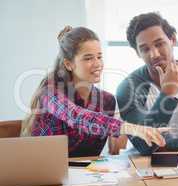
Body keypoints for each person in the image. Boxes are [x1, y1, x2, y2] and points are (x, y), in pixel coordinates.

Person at [21, 26, 168, 157]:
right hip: (43, 174)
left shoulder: (107, 101)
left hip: (86, 178)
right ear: (68, 64)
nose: (97, 63)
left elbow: (101, 151)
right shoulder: (50, 93)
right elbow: (77, 116)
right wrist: (132, 128)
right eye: (88, 58)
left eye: (99, 56)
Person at [116, 12, 178, 155]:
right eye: (145, 49)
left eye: (159, 44)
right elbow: (145, 145)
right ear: (137, 53)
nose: (154, 54)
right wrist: (168, 94)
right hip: (150, 166)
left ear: (172, 40)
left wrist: (165, 145)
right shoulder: (128, 89)